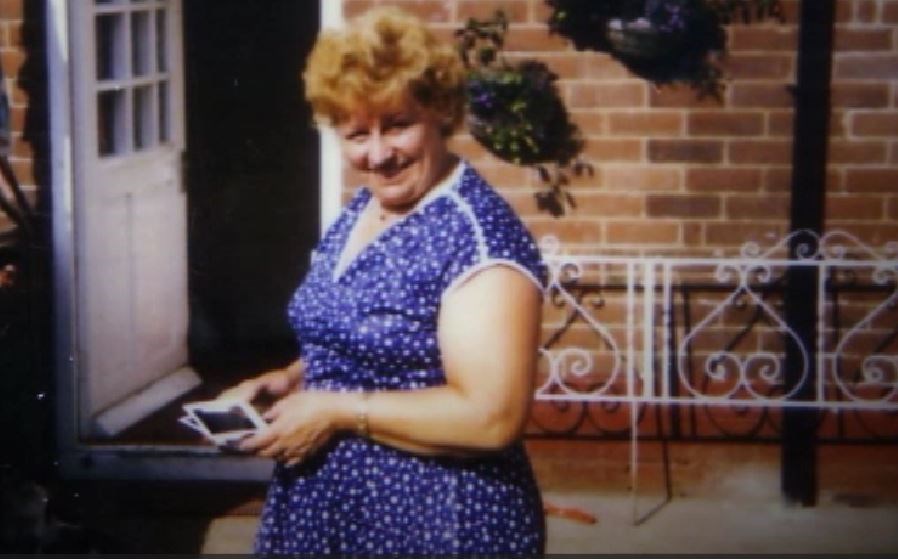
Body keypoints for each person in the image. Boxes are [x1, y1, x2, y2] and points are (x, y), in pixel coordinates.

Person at [219, 6, 547, 555]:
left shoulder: (476, 238)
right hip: (331, 508)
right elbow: (377, 338)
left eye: (398, 125)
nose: (378, 154)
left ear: (440, 112)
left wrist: (336, 409)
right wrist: (293, 378)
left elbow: (492, 417)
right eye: (356, 133)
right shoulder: (365, 208)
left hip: (436, 521)